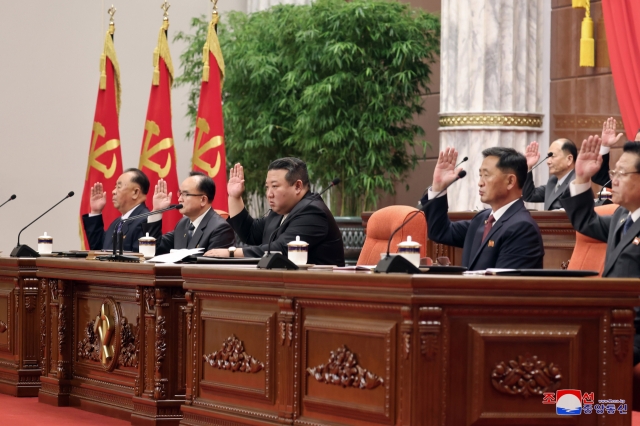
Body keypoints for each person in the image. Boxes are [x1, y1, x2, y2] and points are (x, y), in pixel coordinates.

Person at [560, 135, 640, 365]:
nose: (613, 180)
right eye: (613, 173)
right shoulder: (622, 215)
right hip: (612, 324)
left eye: (622, 174)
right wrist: (583, 178)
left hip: (631, 333)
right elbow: (586, 222)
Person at [204, 157, 345, 266]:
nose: (269, 194)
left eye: (275, 186)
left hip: (316, 293)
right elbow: (250, 234)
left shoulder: (312, 212)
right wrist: (235, 197)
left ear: (297, 186)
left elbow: (282, 250)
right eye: (267, 187)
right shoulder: (281, 210)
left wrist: (231, 253)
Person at [421, 147, 544, 270]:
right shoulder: (482, 219)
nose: (480, 182)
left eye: (486, 175)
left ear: (510, 181)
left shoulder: (522, 228)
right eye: (480, 175)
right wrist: (438, 186)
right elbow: (440, 232)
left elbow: (504, 285)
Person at [523, 118, 621, 210]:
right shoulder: (553, 182)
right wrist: (528, 166)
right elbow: (529, 196)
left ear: (569, 159)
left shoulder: (577, 183)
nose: (548, 162)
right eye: (548, 157)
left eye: (552, 156)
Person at [142, 172, 235, 255]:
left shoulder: (220, 229)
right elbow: (155, 249)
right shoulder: (183, 224)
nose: (179, 199)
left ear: (203, 200)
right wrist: (157, 211)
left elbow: (212, 268)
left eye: (185, 194)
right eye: (180, 193)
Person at [82, 168, 150, 252]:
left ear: (135, 192)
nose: (113, 191)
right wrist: (95, 211)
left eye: (119, 187)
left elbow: (139, 261)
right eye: (115, 187)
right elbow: (99, 251)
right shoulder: (117, 222)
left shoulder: (145, 221)